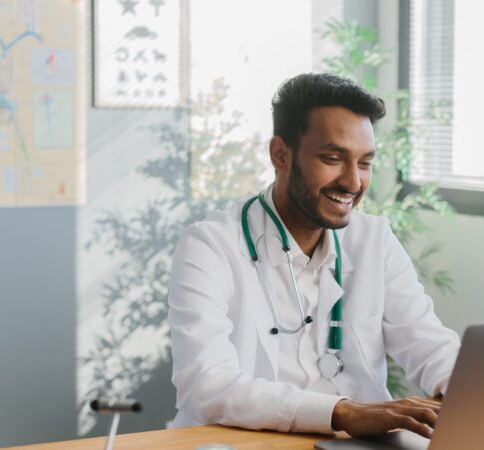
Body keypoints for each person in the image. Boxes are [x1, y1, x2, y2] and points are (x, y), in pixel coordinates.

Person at [168, 73, 460, 438]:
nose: (353, 183)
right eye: (333, 158)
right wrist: (341, 412)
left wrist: (470, 392)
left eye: (365, 163)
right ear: (280, 155)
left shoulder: (374, 240)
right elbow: (206, 384)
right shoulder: (210, 245)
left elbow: (429, 345)